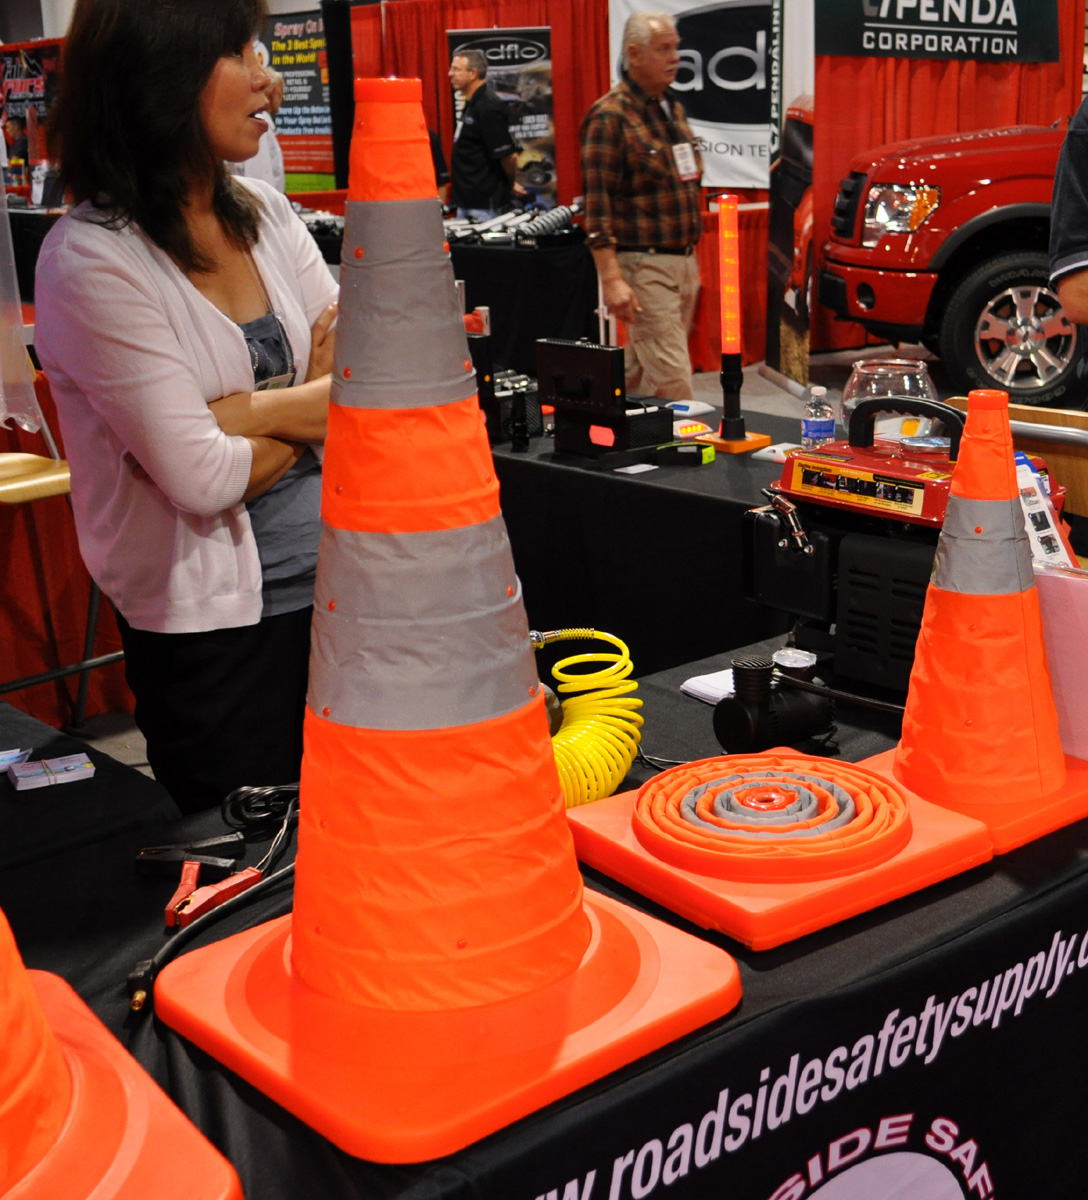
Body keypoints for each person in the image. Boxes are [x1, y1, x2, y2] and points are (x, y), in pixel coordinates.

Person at [34, 0, 339, 813]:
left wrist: (236, 412)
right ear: (163, 79)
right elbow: (202, 480)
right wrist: (313, 400)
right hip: (218, 641)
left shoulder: (269, 214)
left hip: (347, 594)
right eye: (241, 53)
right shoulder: (91, 260)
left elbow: (368, 389)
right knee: (254, 877)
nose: (267, 76)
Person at [580, 11, 703, 402]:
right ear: (634, 54)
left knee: (642, 374)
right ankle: (693, 454)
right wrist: (612, 279)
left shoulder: (670, 108)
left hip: (684, 263)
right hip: (644, 266)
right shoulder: (609, 116)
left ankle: (621, 446)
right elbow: (596, 206)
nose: (675, 57)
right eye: (663, 48)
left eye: (676, 47)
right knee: (675, 381)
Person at [448, 49, 519, 220]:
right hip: (467, 200)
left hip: (484, 205)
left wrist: (509, 184)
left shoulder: (488, 106)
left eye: (456, 69)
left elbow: (509, 157)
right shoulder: (472, 103)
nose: (450, 74)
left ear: (473, 74)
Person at [233, 66, 286, 192]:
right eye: (280, 92)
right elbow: (261, 178)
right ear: (271, 92)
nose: (283, 97)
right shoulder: (260, 122)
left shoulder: (259, 121)